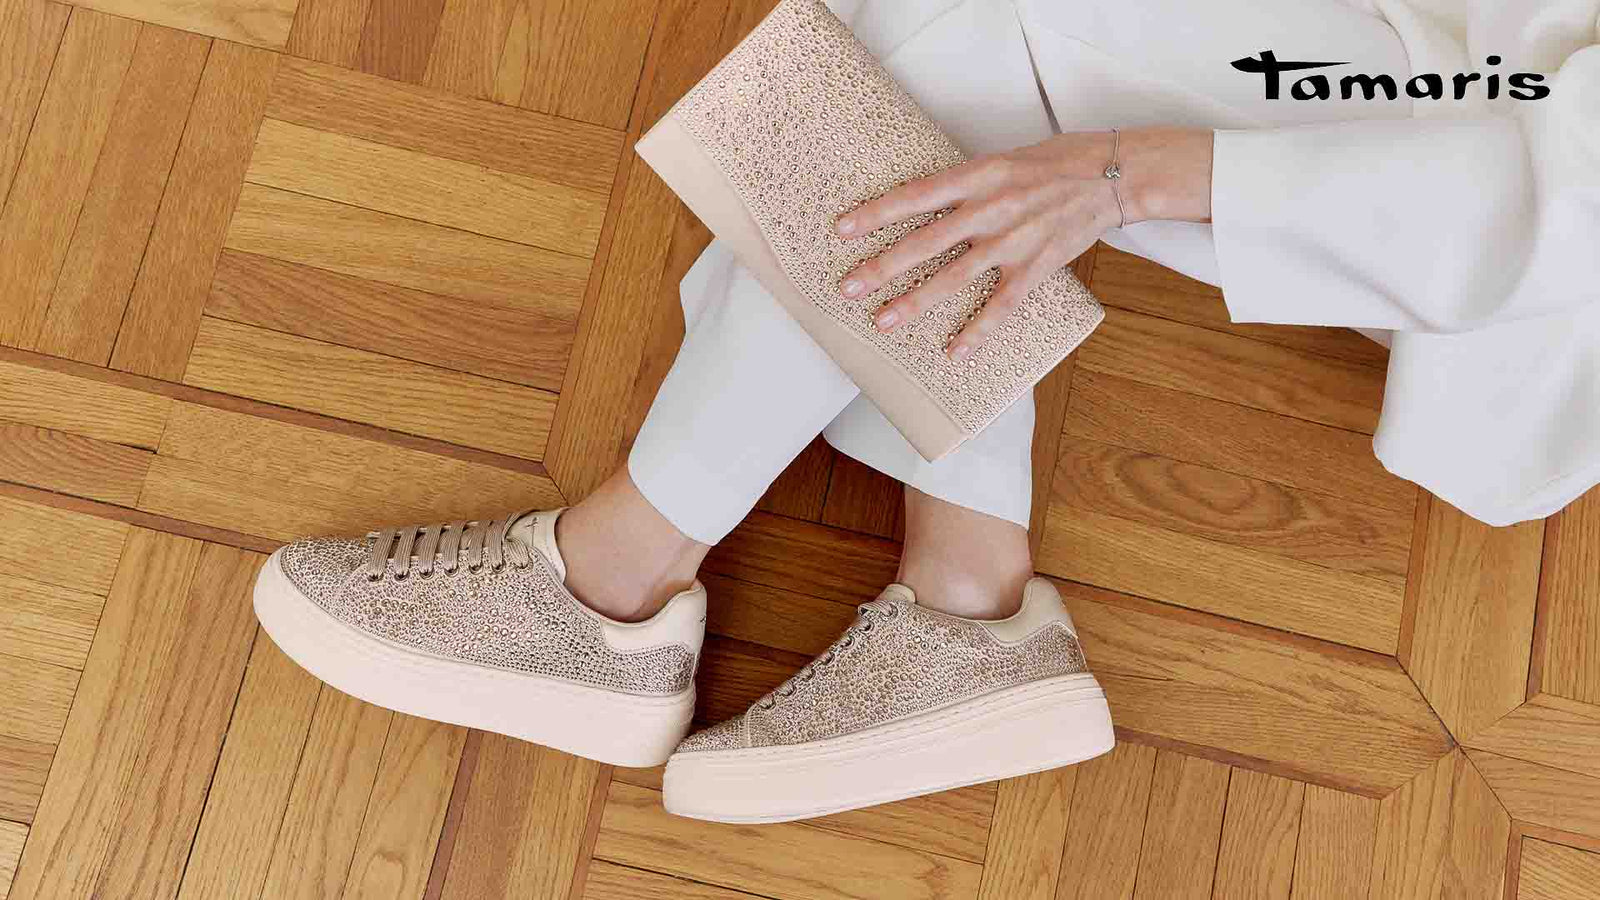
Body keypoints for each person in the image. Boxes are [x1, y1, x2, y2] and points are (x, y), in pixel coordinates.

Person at [251, 0, 1599, 824]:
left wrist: (1129, 173)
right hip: (1463, 42)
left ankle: (613, 581)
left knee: (968, 40)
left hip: (1512, 164)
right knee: (914, 30)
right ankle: (964, 600)